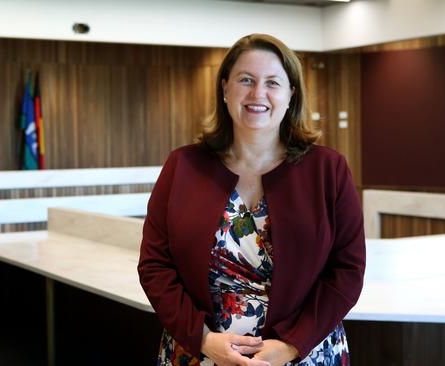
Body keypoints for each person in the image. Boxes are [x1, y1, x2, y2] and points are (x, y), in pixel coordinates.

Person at [138, 33, 366, 366]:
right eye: (246, 80)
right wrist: (203, 340)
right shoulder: (183, 166)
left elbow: (348, 270)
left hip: (305, 354)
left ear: (291, 95)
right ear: (225, 87)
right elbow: (155, 266)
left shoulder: (328, 169)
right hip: (199, 352)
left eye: (273, 82)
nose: (258, 93)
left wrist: (290, 345)